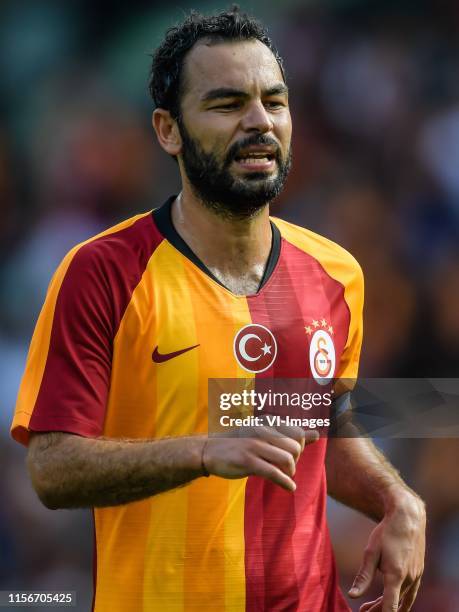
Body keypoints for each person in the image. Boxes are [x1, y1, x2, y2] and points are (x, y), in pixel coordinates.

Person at [11, 7, 425, 612]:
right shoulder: (103, 273)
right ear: (168, 130)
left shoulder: (336, 273)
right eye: (228, 104)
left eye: (274, 102)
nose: (259, 122)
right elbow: (50, 468)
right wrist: (203, 451)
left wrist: (396, 498)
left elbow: (318, 428)